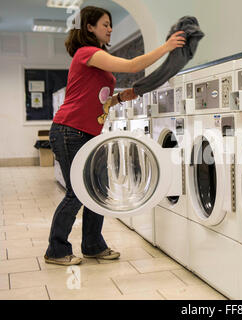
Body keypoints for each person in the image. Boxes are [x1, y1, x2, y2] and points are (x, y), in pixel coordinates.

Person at [45, 6, 185, 266]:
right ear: (89, 27)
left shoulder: (96, 57)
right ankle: (56, 249)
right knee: (77, 192)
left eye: (110, 24)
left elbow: (96, 99)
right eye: (105, 24)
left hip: (86, 132)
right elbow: (133, 66)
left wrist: (119, 97)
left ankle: (93, 245)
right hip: (69, 130)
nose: (110, 29)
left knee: (97, 189)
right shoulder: (87, 53)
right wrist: (166, 47)